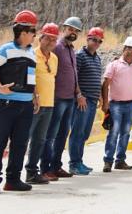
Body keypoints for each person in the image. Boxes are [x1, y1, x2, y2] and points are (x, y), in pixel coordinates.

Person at [0, 10, 38, 195]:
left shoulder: (31, 53)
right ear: (23, 32)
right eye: (33, 31)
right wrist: (0, 87)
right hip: (5, 104)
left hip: (26, 105)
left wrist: (35, 97)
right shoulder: (5, 49)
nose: (34, 35)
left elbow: (31, 78)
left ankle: (13, 180)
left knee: (20, 143)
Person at [41, 16, 83, 180]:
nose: (73, 33)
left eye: (76, 31)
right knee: (51, 135)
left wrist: (78, 93)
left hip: (70, 99)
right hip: (57, 98)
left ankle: (56, 166)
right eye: (71, 29)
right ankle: (45, 168)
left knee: (62, 135)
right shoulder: (57, 47)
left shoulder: (71, 49)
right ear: (64, 28)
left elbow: (74, 74)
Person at [101, 36, 132, 172]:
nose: (131, 51)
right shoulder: (114, 65)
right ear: (124, 49)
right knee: (113, 132)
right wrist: (105, 102)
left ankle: (120, 160)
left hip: (131, 104)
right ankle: (108, 161)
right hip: (115, 105)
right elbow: (105, 83)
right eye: (129, 48)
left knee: (125, 133)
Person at [24, 22, 59, 185]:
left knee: (40, 139)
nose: (51, 43)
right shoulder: (31, 54)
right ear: (40, 38)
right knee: (25, 138)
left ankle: (32, 171)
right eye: (48, 39)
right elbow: (29, 79)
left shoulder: (54, 58)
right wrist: (33, 96)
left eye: (54, 40)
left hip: (49, 104)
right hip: (33, 104)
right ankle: (15, 172)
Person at [68, 26, 104, 175]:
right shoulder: (80, 56)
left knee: (84, 133)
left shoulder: (97, 57)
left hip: (93, 100)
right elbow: (74, 78)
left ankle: (79, 161)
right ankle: (74, 164)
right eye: (93, 40)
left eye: (99, 41)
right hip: (82, 101)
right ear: (87, 39)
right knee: (77, 132)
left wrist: (100, 96)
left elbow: (97, 78)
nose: (96, 43)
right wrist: (79, 96)